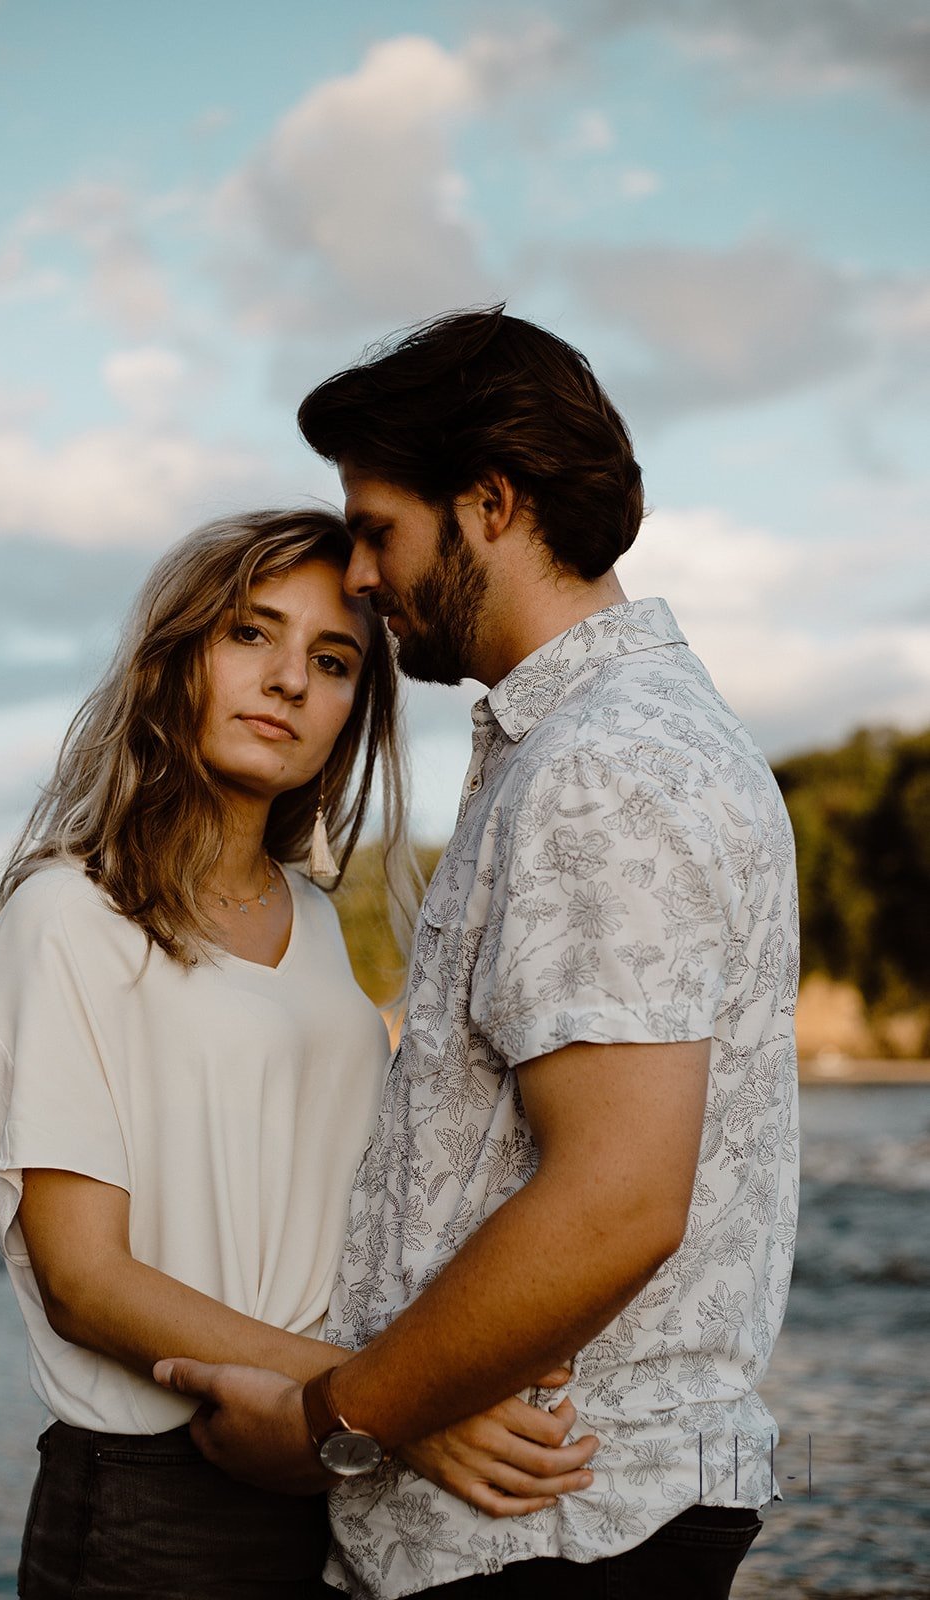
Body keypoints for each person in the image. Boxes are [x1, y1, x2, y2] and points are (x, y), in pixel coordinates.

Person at [156, 310, 800, 1600]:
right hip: (539, 1524)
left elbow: (616, 1199)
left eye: (380, 529)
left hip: (545, 1534)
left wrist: (333, 1419)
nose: (359, 575)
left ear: (489, 504)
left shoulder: (603, 766)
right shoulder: (597, 741)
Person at [0, 508, 598, 1600]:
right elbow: (85, 1279)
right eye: (250, 634)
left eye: (333, 658)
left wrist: (470, 1345)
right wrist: (399, 1406)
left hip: (319, 1481)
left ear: (355, 707)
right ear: (177, 657)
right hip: (151, 1506)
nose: (289, 681)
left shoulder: (312, 921)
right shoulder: (67, 914)